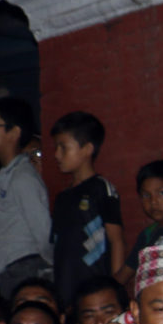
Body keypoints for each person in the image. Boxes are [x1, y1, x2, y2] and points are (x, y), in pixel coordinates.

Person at [47, 111, 125, 307]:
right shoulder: (62, 197)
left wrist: (114, 287)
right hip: (66, 290)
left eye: (63, 147)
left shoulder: (101, 189)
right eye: (56, 147)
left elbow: (116, 240)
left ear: (87, 149)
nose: (57, 154)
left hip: (95, 288)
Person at [0, 98, 53, 295]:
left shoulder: (23, 177)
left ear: (13, 133)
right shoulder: (7, 176)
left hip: (24, 269)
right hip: (9, 271)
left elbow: (42, 229)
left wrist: (50, 266)